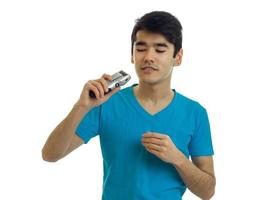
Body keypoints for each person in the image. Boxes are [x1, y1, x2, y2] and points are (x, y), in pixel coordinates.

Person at [42, 11, 216, 200]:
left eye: (160, 49)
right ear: (132, 55)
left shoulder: (195, 113)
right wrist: (81, 106)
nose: (149, 57)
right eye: (141, 48)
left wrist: (179, 160)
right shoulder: (106, 103)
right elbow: (50, 155)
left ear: (178, 57)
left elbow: (207, 192)